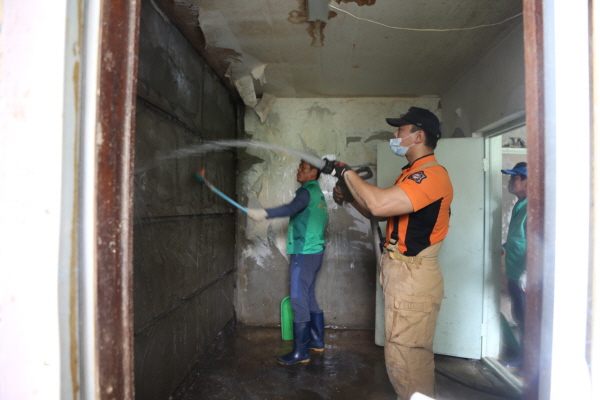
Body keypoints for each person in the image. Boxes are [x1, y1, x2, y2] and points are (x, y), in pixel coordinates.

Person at [322, 107, 453, 400]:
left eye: (400, 130)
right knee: (402, 355)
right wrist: (351, 198)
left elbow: (379, 204)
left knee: (407, 358)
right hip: (403, 273)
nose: (395, 134)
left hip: (413, 275)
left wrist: (346, 172)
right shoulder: (411, 175)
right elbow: (378, 212)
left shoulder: (430, 176)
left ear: (418, 136)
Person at [247, 160, 328, 365]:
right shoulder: (317, 193)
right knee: (308, 296)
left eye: (304, 167)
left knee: (298, 298)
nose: (298, 170)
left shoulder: (306, 192)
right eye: (299, 166)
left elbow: (292, 208)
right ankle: (316, 341)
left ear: (314, 172)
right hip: (315, 252)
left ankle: (301, 352)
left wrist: (265, 213)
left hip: (304, 253)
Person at [501, 162, 527, 368]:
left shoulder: (532, 208)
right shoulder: (520, 205)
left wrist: (529, 271)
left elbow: (538, 243)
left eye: (515, 177)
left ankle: (529, 364)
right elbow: (519, 238)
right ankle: (523, 359)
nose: (510, 181)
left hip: (525, 277)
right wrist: (503, 246)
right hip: (514, 273)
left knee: (528, 321)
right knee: (520, 317)